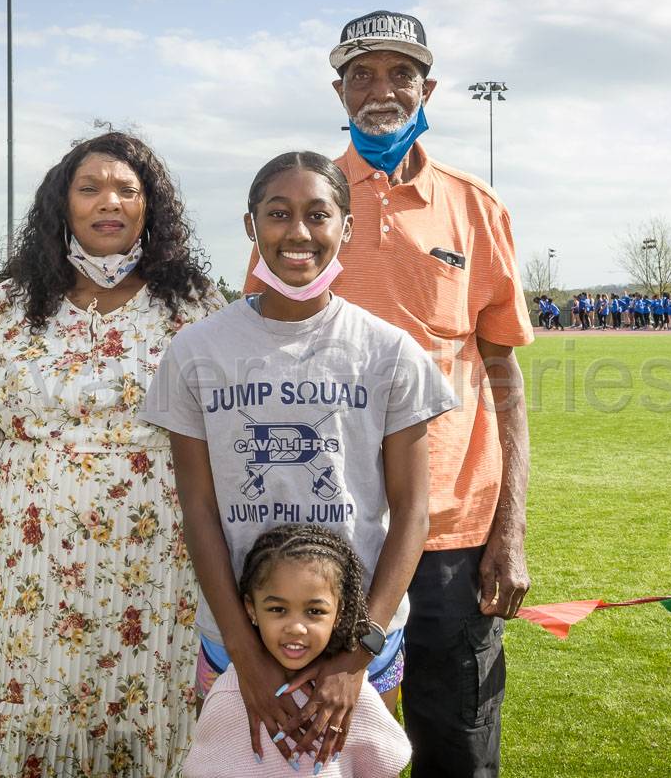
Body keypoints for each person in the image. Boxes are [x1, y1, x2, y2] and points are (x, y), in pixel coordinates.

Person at [243, 11, 534, 776]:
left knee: (458, 747)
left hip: (450, 537)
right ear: (337, 90)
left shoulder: (477, 208)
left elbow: (503, 374)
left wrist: (509, 530)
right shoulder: (298, 208)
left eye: (400, 72)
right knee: (323, 752)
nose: (382, 89)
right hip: (323, 529)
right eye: (362, 74)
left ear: (428, 86)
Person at [144, 151, 454, 770]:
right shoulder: (196, 351)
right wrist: (244, 649)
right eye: (278, 213)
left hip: (361, 636)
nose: (299, 232)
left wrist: (357, 654)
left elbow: (413, 511)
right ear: (250, 225)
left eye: (318, 214)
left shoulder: (390, 352)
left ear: (348, 226)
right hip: (237, 637)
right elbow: (200, 510)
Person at [0, 130, 223, 777]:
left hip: (161, 586)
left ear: (153, 206)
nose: (108, 202)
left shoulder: (194, 307)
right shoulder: (6, 308)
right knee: (36, 731)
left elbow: (229, 452)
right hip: (26, 588)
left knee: (156, 733)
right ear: (62, 205)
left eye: (127, 189)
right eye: (89, 188)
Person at [182, 524, 413, 778]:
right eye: (278, 609)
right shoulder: (227, 695)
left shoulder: (355, 697)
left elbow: (385, 766)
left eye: (314, 611)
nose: (296, 628)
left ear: (339, 614)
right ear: (251, 609)